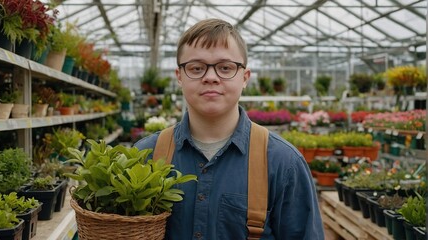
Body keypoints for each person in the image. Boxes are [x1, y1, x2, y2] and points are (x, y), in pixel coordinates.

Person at [134, 18, 324, 240]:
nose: (211, 78)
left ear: (244, 78)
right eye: (196, 68)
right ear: (179, 77)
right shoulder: (145, 157)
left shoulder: (283, 163)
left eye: (225, 68)